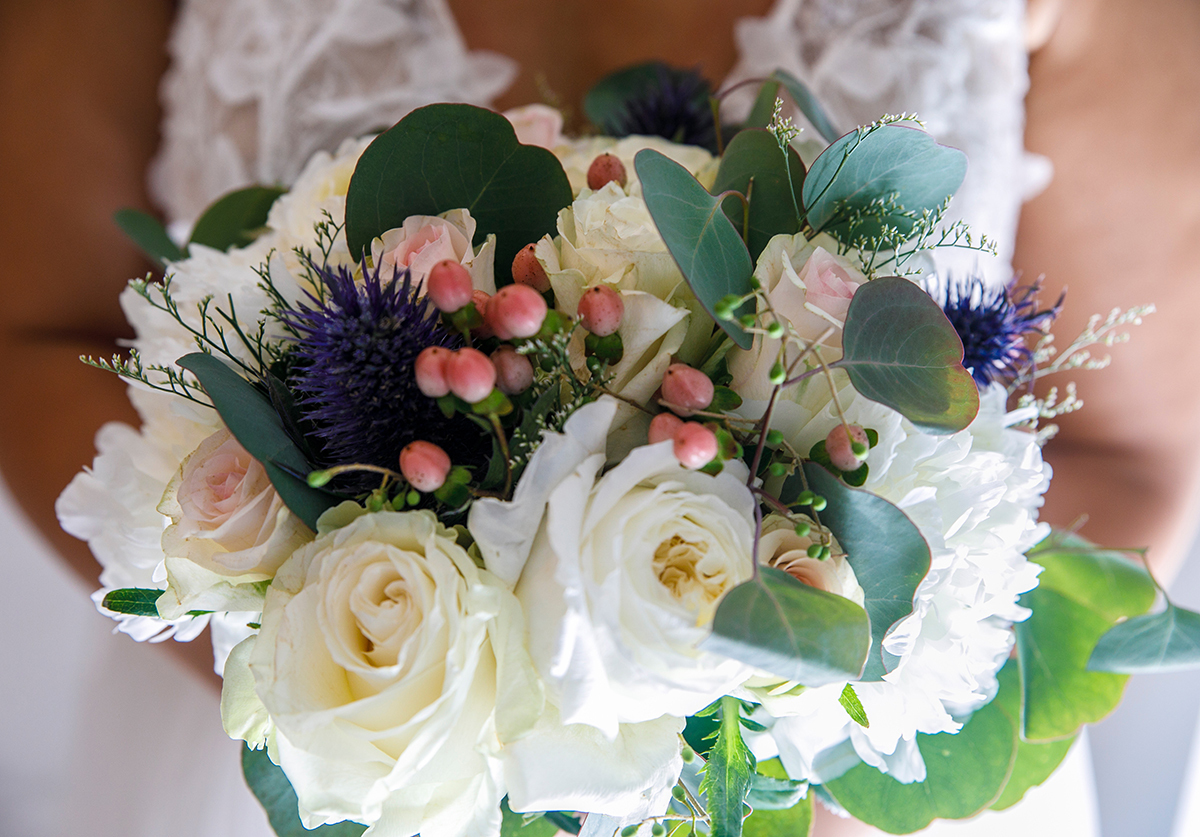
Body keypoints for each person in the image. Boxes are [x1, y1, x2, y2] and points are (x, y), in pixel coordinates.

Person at [1, 0, 1198, 834]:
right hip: (331, 749)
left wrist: (751, 757)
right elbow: (41, 331)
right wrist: (380, 693)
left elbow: (1124, 453)